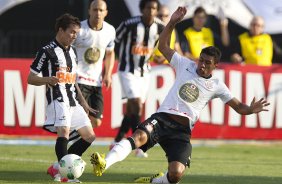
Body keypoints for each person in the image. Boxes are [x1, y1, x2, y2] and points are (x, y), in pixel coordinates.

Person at [90, 7, 270, 183]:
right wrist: (172, 23)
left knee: (176, 174)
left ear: (215, 66)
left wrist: (251, 109)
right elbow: (162, 45)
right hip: (162, 119)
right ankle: (105, 164)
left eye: (207, 63)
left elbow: (238, 107)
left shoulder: (217, 85)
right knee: (139, 136)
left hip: (181, 132)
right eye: (201, 60)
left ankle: (154, 182)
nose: (202, 65)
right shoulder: (185, 64)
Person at [27, 13, 96, 182]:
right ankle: (65, 176)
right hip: (57, 99)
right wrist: (46, 79)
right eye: (72, 32)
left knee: (89, 136)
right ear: (61, 30)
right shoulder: (47, 51)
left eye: (76, 33)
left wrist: (84, 103)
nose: (74, 36)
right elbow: (30, 78)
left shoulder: (72, 52)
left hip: (73, 100)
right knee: (63, 131)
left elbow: (73, 81)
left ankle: (58, 167)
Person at [110, 0, 164, 158]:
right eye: (148, 8)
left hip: (145, 71)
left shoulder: (160, 27)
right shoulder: (129, 24)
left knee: (132, 109)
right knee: (136, 104)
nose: (151, 11)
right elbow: (114, 41)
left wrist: (160, 57)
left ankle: (118, 140)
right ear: (142, 9)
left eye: (154, 8)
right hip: (127, 70)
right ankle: (139, 146)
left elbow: (165, 44)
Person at [73, 0, 116, 128]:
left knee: (96, 121)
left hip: (96, 82)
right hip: (78, 80)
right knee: (82, 117)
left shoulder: (110, 30)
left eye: (101, 10)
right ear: (89, 11)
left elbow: (110, 53)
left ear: (106, 13)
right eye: (95, 9)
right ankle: (72, 145)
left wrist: (108, 74)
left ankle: (75, 140)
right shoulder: (79, 29)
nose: (98, 13)